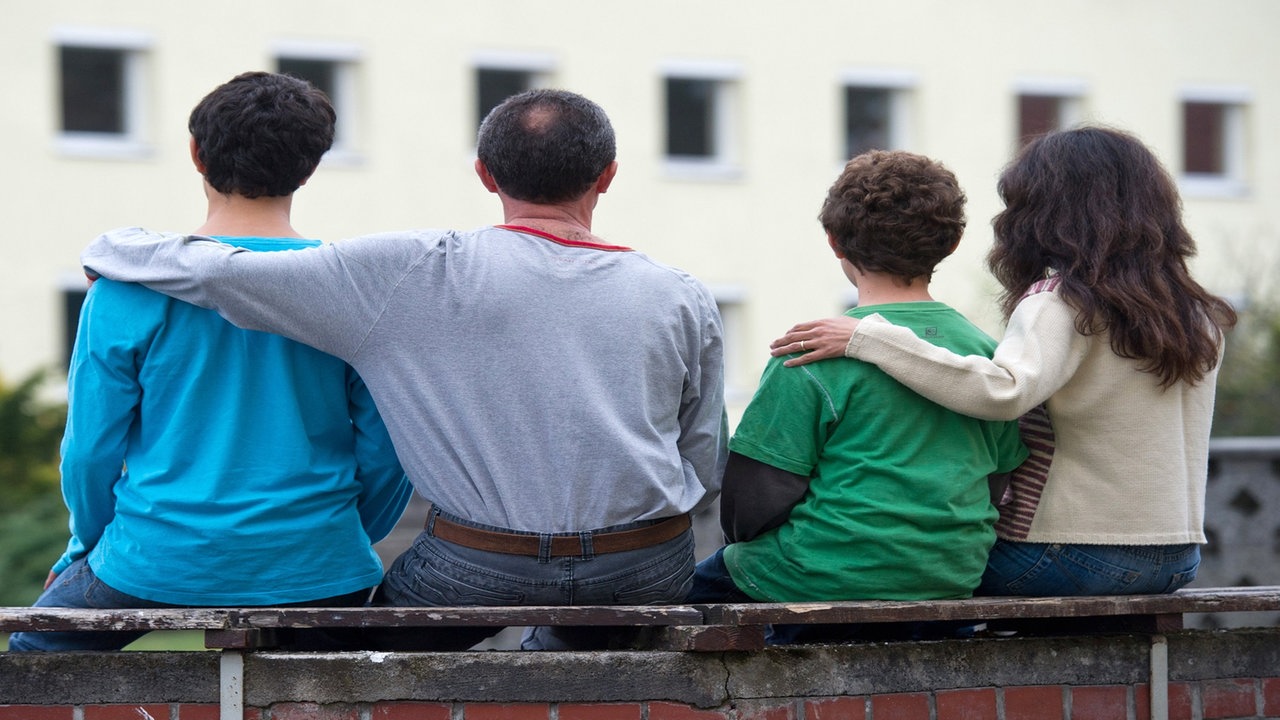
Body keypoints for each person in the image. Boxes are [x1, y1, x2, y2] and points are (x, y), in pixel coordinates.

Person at [79, 88, 728, 651]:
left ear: (484, 174)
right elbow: (703, 458)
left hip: (481, 566)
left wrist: (112, 246)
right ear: (608, 175)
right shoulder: (682, 294)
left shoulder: (417, 271)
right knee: (580, 647)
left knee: (351, 657)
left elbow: (224, 272)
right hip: (645, 561)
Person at [8, 71, 411, 652]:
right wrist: (339, 536)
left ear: (196, 154)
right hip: (317, 561)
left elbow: (90, 448)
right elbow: (387, 447)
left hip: (155, 555)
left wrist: (84, 548)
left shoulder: (125, 290)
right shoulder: (350, 291)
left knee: (30, 661)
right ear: (310, 167)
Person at [770, 126, 1237, 597]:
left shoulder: (1065, 302)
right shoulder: (1195, 312)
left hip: (1070, 551)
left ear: (1046, 212)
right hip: (1176, 557)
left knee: (917, 567)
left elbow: (1003, 390)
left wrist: (870, 338)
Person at [685, 150, 1027, 640]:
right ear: (952, 244)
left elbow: (751, 504)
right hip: (949, 579)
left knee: (675, 594)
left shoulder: (810, 352)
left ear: (834, 241)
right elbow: (997, 481)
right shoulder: (986, 356)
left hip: (816, 577)